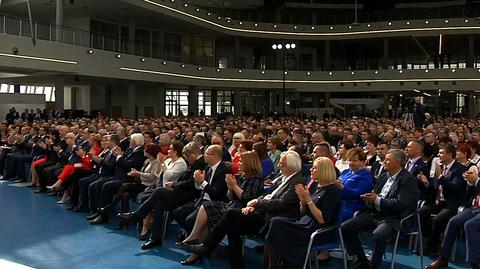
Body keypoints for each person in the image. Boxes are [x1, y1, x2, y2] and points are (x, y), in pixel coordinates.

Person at [185, 150, 304, 269]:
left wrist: (257, 202)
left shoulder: (296, 182)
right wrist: (253, 203)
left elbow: (280, 204)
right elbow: (265, 194)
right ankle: (235, 264)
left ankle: (208, 247)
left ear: (290, 166)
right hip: (260, 210)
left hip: (271, 218)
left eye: (282, 164)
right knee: (232, 225)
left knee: (231, 214)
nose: (278, 166)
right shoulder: (282, 178)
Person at [177, 150, 264, 265]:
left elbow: (247, 200)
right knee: (206, 207)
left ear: (249, 163)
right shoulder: (242, 176)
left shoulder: (256, 179)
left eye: (241, 161)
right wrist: (230, 188)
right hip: (232, 205)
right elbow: (230, 197)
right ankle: (196, 240)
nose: (238, 163)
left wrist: (234, 186)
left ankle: (199, 246)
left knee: (212, 215)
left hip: (242, 211)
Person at [341, 149, 418, 269]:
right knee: (346, 227)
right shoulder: (383, 176)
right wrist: (369, 197)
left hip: (394, 217)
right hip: (376, 213)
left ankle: (373, 265)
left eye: (387, 160)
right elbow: (375, 193)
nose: (383, 162)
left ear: (398, 162)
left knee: (379, 234)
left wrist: (376, 200)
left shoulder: (408, 180)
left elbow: (401, 204)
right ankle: (362, 259)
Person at [263, 157, 341, 268]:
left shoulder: (332, 191)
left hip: (316, 229)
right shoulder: (315, 186)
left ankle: (275, 265)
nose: (310, 170)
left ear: (324, 170)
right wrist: (302, 202)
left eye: (314, 168)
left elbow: (322, 219)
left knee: (276, 225)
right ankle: (272, 265)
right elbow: (303, 213)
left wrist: (308, 200)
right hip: (304, 223)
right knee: (274, 223)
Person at [419, 144, 467, 255]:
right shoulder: (439, 167)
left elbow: (455, 188)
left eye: (441, 153)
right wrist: (426, 182)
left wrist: (440, 176)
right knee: (420, 213)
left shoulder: (460, 169)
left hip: (451, 203)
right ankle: (435, 241)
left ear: (450, 155)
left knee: (438, 220)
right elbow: (435, 188)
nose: (438, 155)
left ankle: (431, 244)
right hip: (437, 201)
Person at [426, 170, 480, 269]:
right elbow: (470, 193)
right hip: (474, 207)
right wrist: (470, 182)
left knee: (470, 225)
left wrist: (477, 181)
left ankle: (474, 264)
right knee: (453, 222)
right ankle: (443, 258)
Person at [335, 148, 373, 220]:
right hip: (337, 202)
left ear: (362, 162)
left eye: (355, 161)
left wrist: (342, 187)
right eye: (349, 160)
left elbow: (359, 194)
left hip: (352, 206)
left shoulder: (365, 176)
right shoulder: (345, 172)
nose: (351, 163)